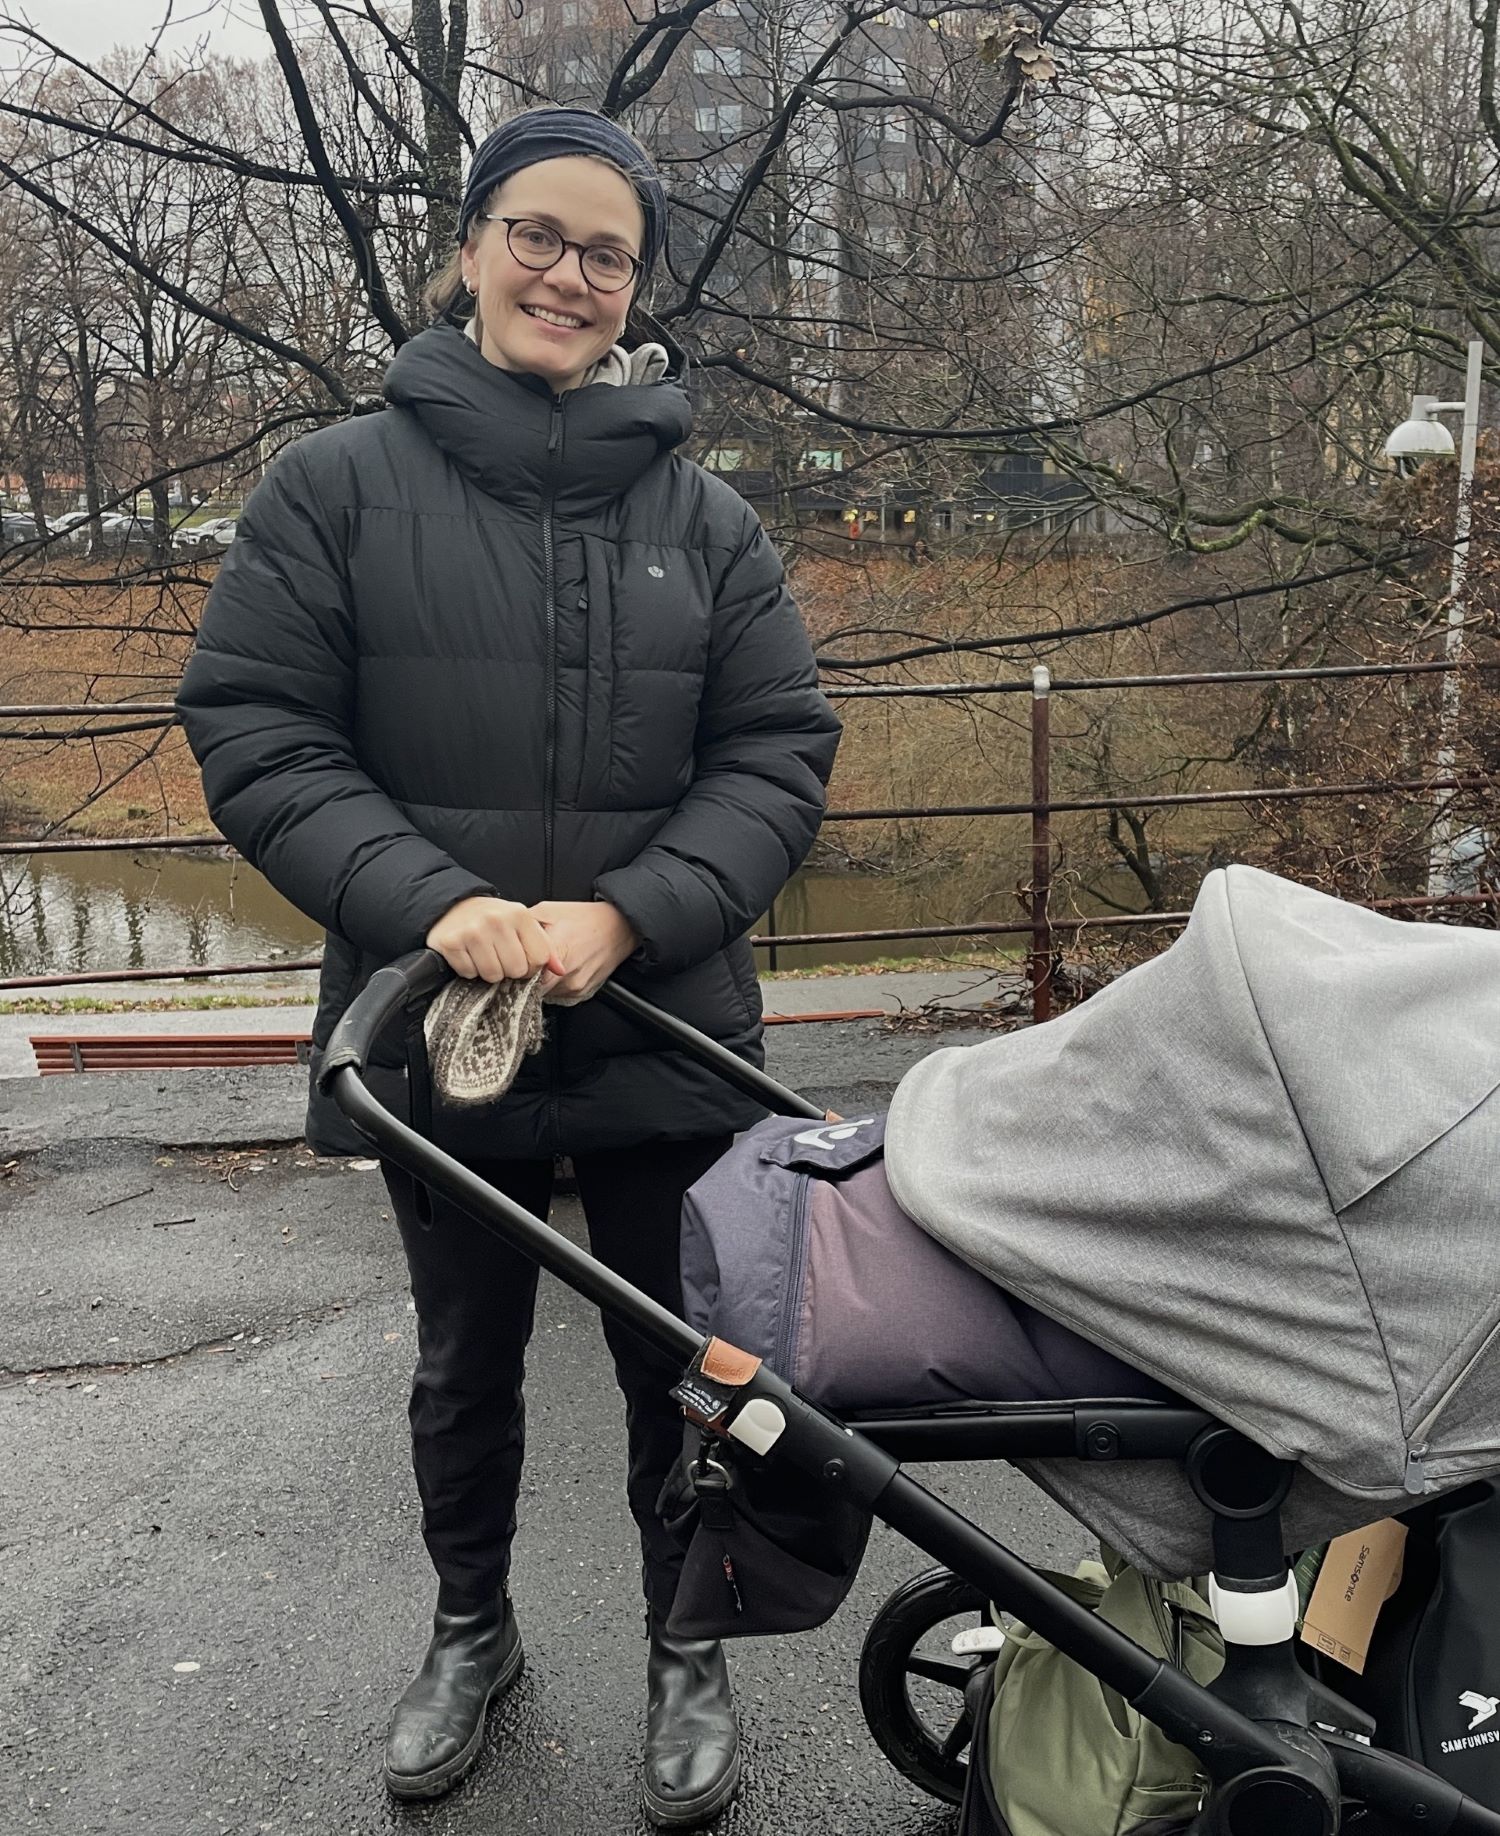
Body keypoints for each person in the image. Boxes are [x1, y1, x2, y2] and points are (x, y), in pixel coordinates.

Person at [176, 106, 841, 1828]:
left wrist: (637, 910)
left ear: (638, 290)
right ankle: (473, 1631)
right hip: (435, 1029)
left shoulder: (710, 523)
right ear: (467, 250)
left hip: (659, 1022)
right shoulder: (327, 490)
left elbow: (775, 750)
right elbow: (256, 731)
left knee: (679, 1367)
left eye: (606, 252)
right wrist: (425, 897)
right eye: (536, 236)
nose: (568, 273)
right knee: (463, 1365)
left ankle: (683, 1648)